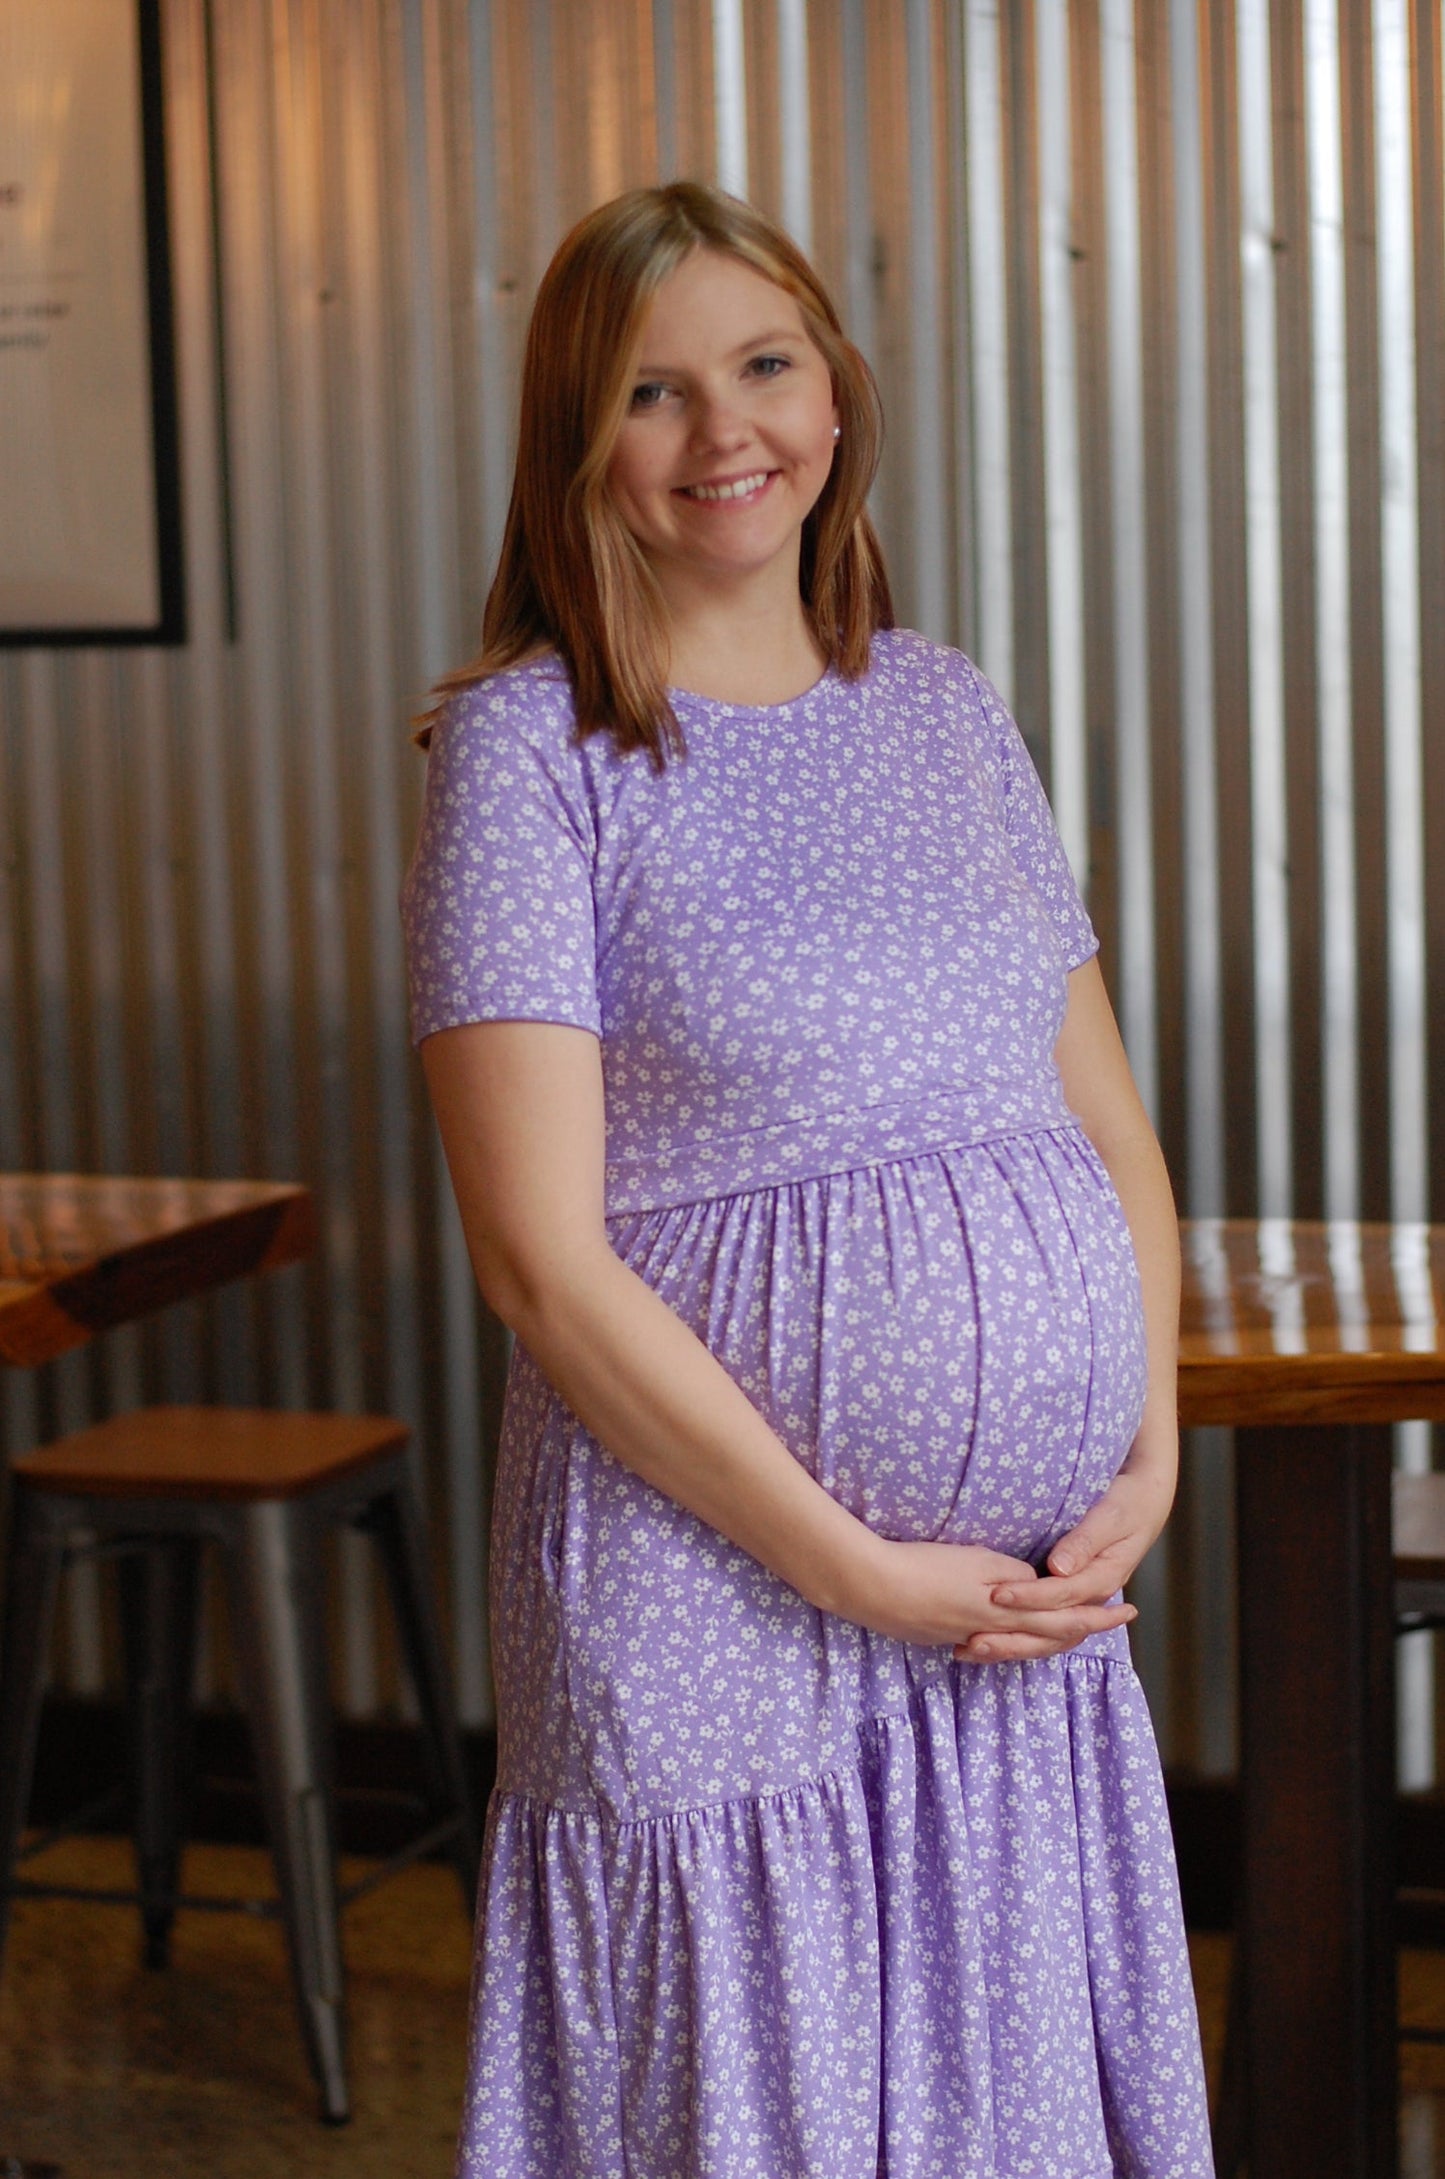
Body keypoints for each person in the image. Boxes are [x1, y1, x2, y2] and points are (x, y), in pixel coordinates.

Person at [402, 180, 1212, 2179]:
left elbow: (1105, 1131)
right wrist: (854, 1568)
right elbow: (538, 1262)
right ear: (578, 442)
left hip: (1017, 1609)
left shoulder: (941, 707)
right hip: (709, 1587)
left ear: (835, 393)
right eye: (651, 393)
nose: (722, 430)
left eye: (762, 365)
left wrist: (1151, 1446)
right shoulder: (528, 749)